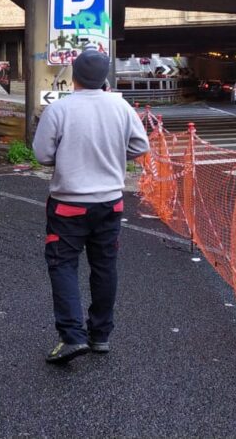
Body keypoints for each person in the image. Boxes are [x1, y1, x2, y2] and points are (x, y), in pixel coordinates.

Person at [32, 49, 149, 364]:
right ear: (106, 77)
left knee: (63, 265)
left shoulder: (60, 109)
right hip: (110, 202)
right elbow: (141, 145)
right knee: (104, 266)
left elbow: (42, 154)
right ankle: (100, 335)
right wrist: (112, 156)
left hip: (68, 204)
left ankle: (72, 336)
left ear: (74, 76)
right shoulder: (121, 107)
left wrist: (69, 157)